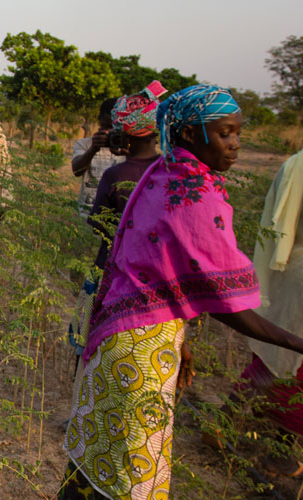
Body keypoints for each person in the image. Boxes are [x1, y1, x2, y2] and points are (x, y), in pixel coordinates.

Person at [59, 85, 303, 500]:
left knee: (104, 451)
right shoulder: (193, 192)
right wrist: (294, 342)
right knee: (134, 467)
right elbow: (221, 298)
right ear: (190, 134)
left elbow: (158, 272)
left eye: (238, 134)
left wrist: (181, 336)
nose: (236, 146)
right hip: (143, 347)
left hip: (124, 333)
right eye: (225, 133)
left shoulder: (164, 175)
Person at [68, 82, 167, 364]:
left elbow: (101, 222)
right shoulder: (165, 170)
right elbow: (77, 170)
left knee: (92, 313)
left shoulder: (119, 170)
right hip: (148, 266)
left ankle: (85, 358)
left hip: (109, 254)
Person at [237, 148, 303, 476]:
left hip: (290, 272)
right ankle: (274, 451)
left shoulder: (295, 163)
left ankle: (228, 424)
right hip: (299, 279)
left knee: (275, 358)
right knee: (288, 367)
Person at [72, 98, 125, 216]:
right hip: (88, 211)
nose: (108, 133)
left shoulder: (127, 147)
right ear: (99, 120)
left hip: (117, 213)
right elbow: (76, 171)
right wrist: (93, 149)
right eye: (106, 127)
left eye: (113, 129)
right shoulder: (85, 144)